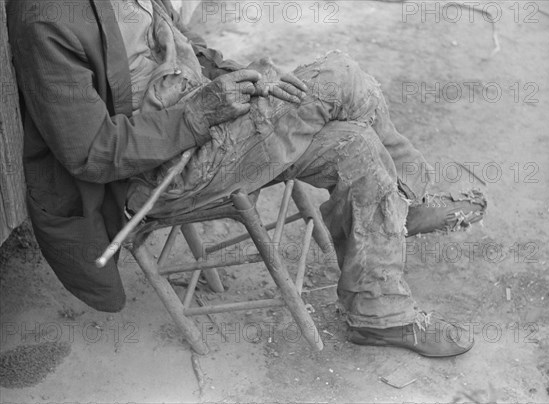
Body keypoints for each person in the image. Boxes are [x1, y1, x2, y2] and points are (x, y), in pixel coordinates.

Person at [7, 0, 486, 357]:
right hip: (158, 175)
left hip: (205, 126)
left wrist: (242, 77)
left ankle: (379, 315)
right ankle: (408, 196)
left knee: (356, 144)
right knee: (339, 75)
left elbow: (182, 50)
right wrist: (198, 113)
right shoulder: (45, 17)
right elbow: (89, 152)